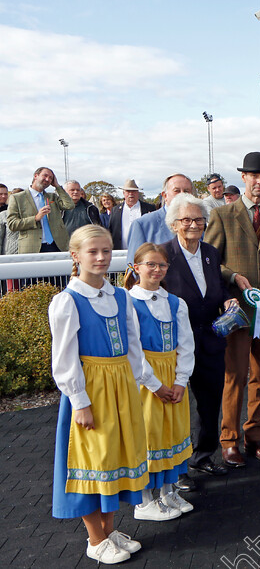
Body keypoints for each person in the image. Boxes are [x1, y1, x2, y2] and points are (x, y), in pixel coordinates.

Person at [49, 225, 163, 563]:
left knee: (118, 454)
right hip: (91, 388)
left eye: (106, 251)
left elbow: (132, 347)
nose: (101, 258)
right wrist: (79, 401)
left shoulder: (120, 296)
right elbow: (64, 358)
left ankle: (109, 528)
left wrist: (149, 383)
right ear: (75, 256)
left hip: (122, 386)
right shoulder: (67, 301)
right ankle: (95, 538)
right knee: (94, 459)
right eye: (93, 252)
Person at [204, 151, 260, 468]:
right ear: (243, 178)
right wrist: (233, 277)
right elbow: (211, 261)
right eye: (253, 176)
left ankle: (254, 436)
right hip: (237, 312)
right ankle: (229, 442)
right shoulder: (222, 216)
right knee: (235, 378)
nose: (259, 181)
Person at [162, 194, 237, 483]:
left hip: (210, 341)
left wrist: (229, 300)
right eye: (186, 220)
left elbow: (217, 286)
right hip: (176, 345)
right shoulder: (163, 255)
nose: (193, 224)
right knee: (175, 407)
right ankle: (176, 469)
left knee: (209, 405)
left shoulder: (210, 252)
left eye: (198, 219)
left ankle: (202, 457)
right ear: (174, 224)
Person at [125, 243, 195, 520]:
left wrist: (180, 380)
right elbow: (133, 348)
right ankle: (144, 500)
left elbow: (186, 344)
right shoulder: (129, 302)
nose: (156, 270)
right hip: (146, 380)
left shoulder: (176, 303)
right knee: (149, 436)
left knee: (173, 432)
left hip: (172, 374)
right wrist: (154, 384)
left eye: (161, 265)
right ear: (136, 267)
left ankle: (168, 491)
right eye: (150, 264)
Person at [126, 173, 193, 262]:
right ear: (165, 196)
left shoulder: (198, 223)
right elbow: (133, 267)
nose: (182, 195)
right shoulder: (143, 225)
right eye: (176, 191)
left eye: (186, 191)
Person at [7, 166, 74, 253]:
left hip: (56, 245)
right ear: (36, 176)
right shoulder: (17, 198)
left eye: (51, 178)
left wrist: (57, 186)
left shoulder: (52, 197)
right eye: (45, 175)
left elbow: (69, 205)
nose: (47, 179)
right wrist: (35, 218)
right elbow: (12, 224)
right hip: (32, 248)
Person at [109, 179, 155, 250]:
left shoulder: (149, 208)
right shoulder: (115, 210)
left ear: (137, 192)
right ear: (124, 193)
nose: (131, 193)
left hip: (143, 252)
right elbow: (110, 231)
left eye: (133, 191)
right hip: (120, 253)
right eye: (128, 191)